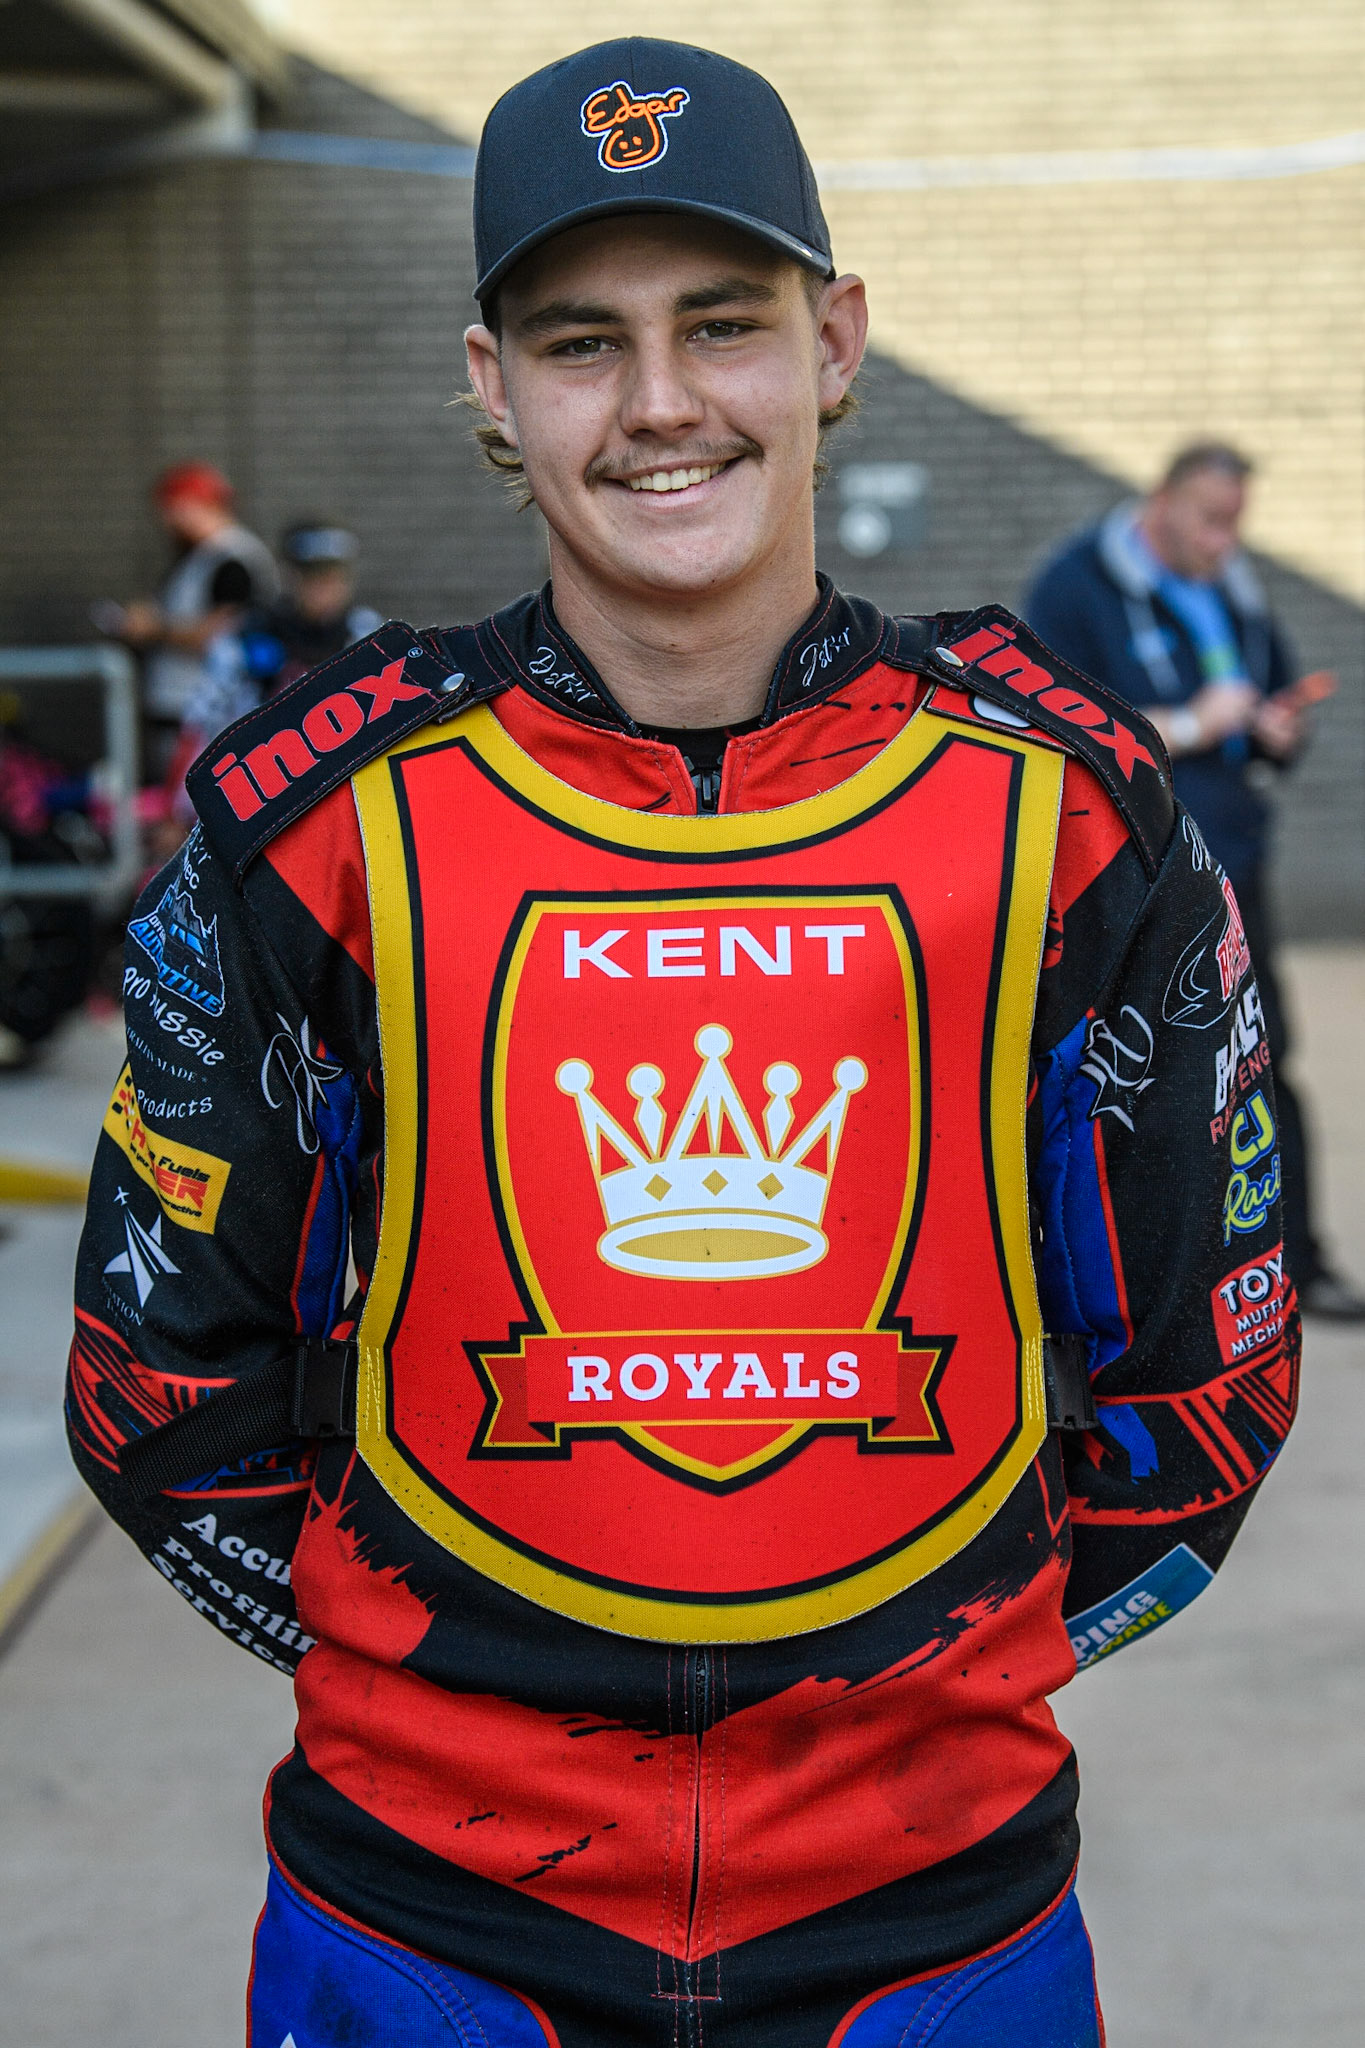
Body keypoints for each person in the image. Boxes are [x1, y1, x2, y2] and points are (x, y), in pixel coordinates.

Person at [68, 42, 1299, 2047]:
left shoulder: (1066, 807)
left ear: (833, 341)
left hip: (941, 1922)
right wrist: (443, 1693)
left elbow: (1207, 1380)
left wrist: (917, 1681)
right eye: (582, 341)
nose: (657, 403)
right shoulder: (306, 820)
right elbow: (154, 1390)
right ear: (492, 386)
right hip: (423, 1927)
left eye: (718, 325)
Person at [1025, 444, 1363, 1321]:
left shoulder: (1231, 587)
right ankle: (1138, 1288)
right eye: (1211, 518)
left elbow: (1267, 691)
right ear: (1162, 502)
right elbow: (1054, 731)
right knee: (1136, 1076)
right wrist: (1189, 724)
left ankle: (1294, 1263)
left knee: (1260, 1062)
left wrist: (1274, 732)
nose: (1225, 539)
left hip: (1236, 867)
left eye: (1236, 520)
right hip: (1128, 879)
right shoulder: (1074, 587)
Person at [95, 461, 278, 778]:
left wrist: (155, 628)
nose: (166, 522)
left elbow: (221, 636)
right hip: (183, 710)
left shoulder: (233, 557)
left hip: (209, 714)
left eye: (171, 510)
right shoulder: (202, 556)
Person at [175, 520, 384, 766]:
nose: (325, 588)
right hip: (263, 770)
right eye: (313, 577)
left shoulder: (367, 632)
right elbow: (200, 717)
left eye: (334, 577)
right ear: (291, 577)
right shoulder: (250, 634)